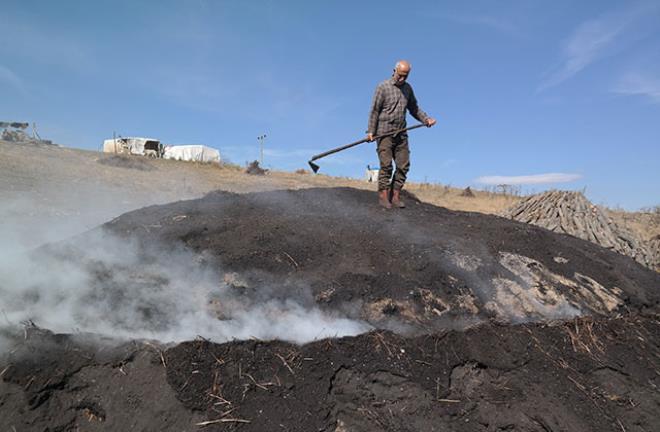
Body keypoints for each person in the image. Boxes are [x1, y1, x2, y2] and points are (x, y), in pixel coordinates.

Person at [367, 60, 436, 208]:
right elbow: (374, 111)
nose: (402, 79)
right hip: (384, 133)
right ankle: (383, 196)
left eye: (406, 76)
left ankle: (395, 195)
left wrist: (426, 119)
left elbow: (414, 108)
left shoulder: (408, 89)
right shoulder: (383, 87)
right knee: (386, 166)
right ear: (394, 71)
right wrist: (371, 131)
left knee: (403, 165)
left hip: (401, 133)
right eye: (400, 75)